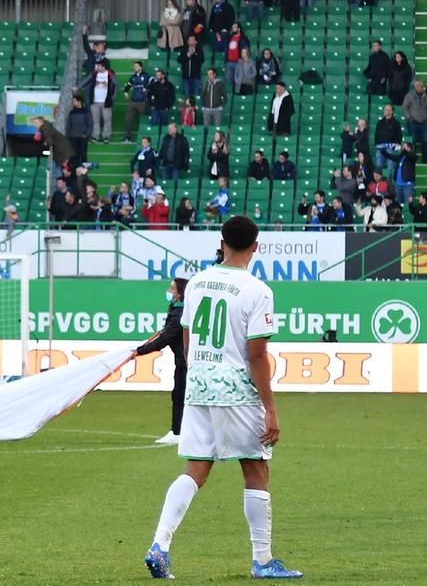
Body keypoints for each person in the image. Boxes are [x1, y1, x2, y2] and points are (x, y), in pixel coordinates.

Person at [143, 216, 301, 581]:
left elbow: (186, 339)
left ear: (222, 241)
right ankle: (262, 561)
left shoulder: (196, 282)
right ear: (256, 247)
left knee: (195, 470)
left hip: (199, 387)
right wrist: (271, 409)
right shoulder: (256, 289)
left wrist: (199, 370)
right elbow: (257, 355)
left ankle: (159, 545)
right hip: (236, 391)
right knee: (256, 468)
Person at [137, 276, 188, 445]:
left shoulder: (179, 315)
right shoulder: (178, 311)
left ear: (179, 294)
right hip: (184, 361)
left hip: (186, 363)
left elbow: (164, 339)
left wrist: (140, 351)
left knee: (181, 395)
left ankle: (177, 432)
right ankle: (179, 430)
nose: (169, 291)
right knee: (180, 395)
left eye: (172, 289)